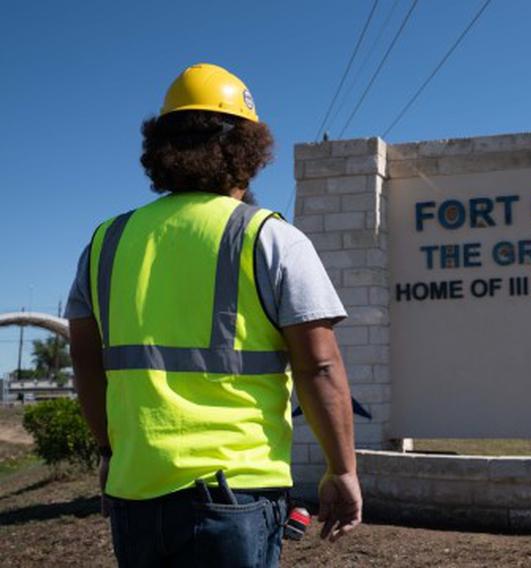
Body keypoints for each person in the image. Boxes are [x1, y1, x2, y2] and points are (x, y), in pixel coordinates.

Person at [66, 63, 362, 567]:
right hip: (236, 495)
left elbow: (88, 368)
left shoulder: (106, 243)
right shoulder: (270, 237)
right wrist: (343, 469)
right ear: (248, 149)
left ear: (161, 147)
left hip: (136, 495)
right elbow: (320, 366)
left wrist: (111, 454)